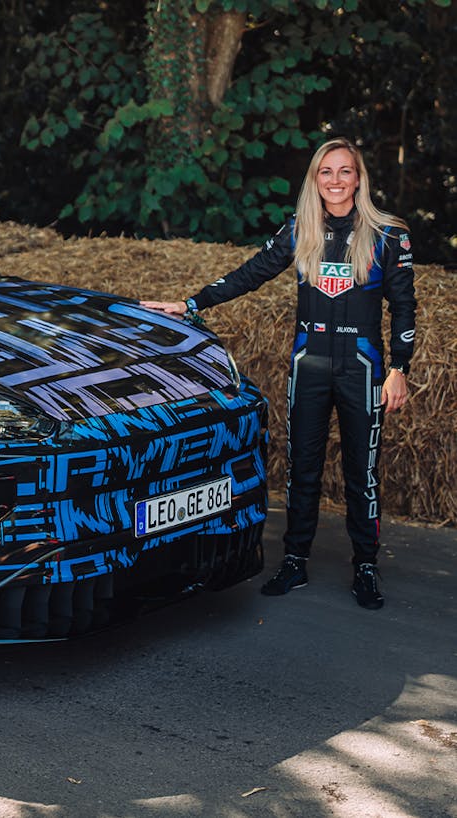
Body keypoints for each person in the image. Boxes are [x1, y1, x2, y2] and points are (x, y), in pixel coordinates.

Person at [141, 137, 416, 610]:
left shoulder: (389, 234)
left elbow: (406, 307)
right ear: (315, 179)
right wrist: (190, 304)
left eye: (344, 171)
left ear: (359, 178)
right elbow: (250, 273)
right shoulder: (299, 229)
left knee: (362, 474)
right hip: (308, 365)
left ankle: (366, 567)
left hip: (363, 367)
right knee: (302, 468)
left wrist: (398, 369)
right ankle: (294, 561)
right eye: (325, 171)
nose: (335, 180)